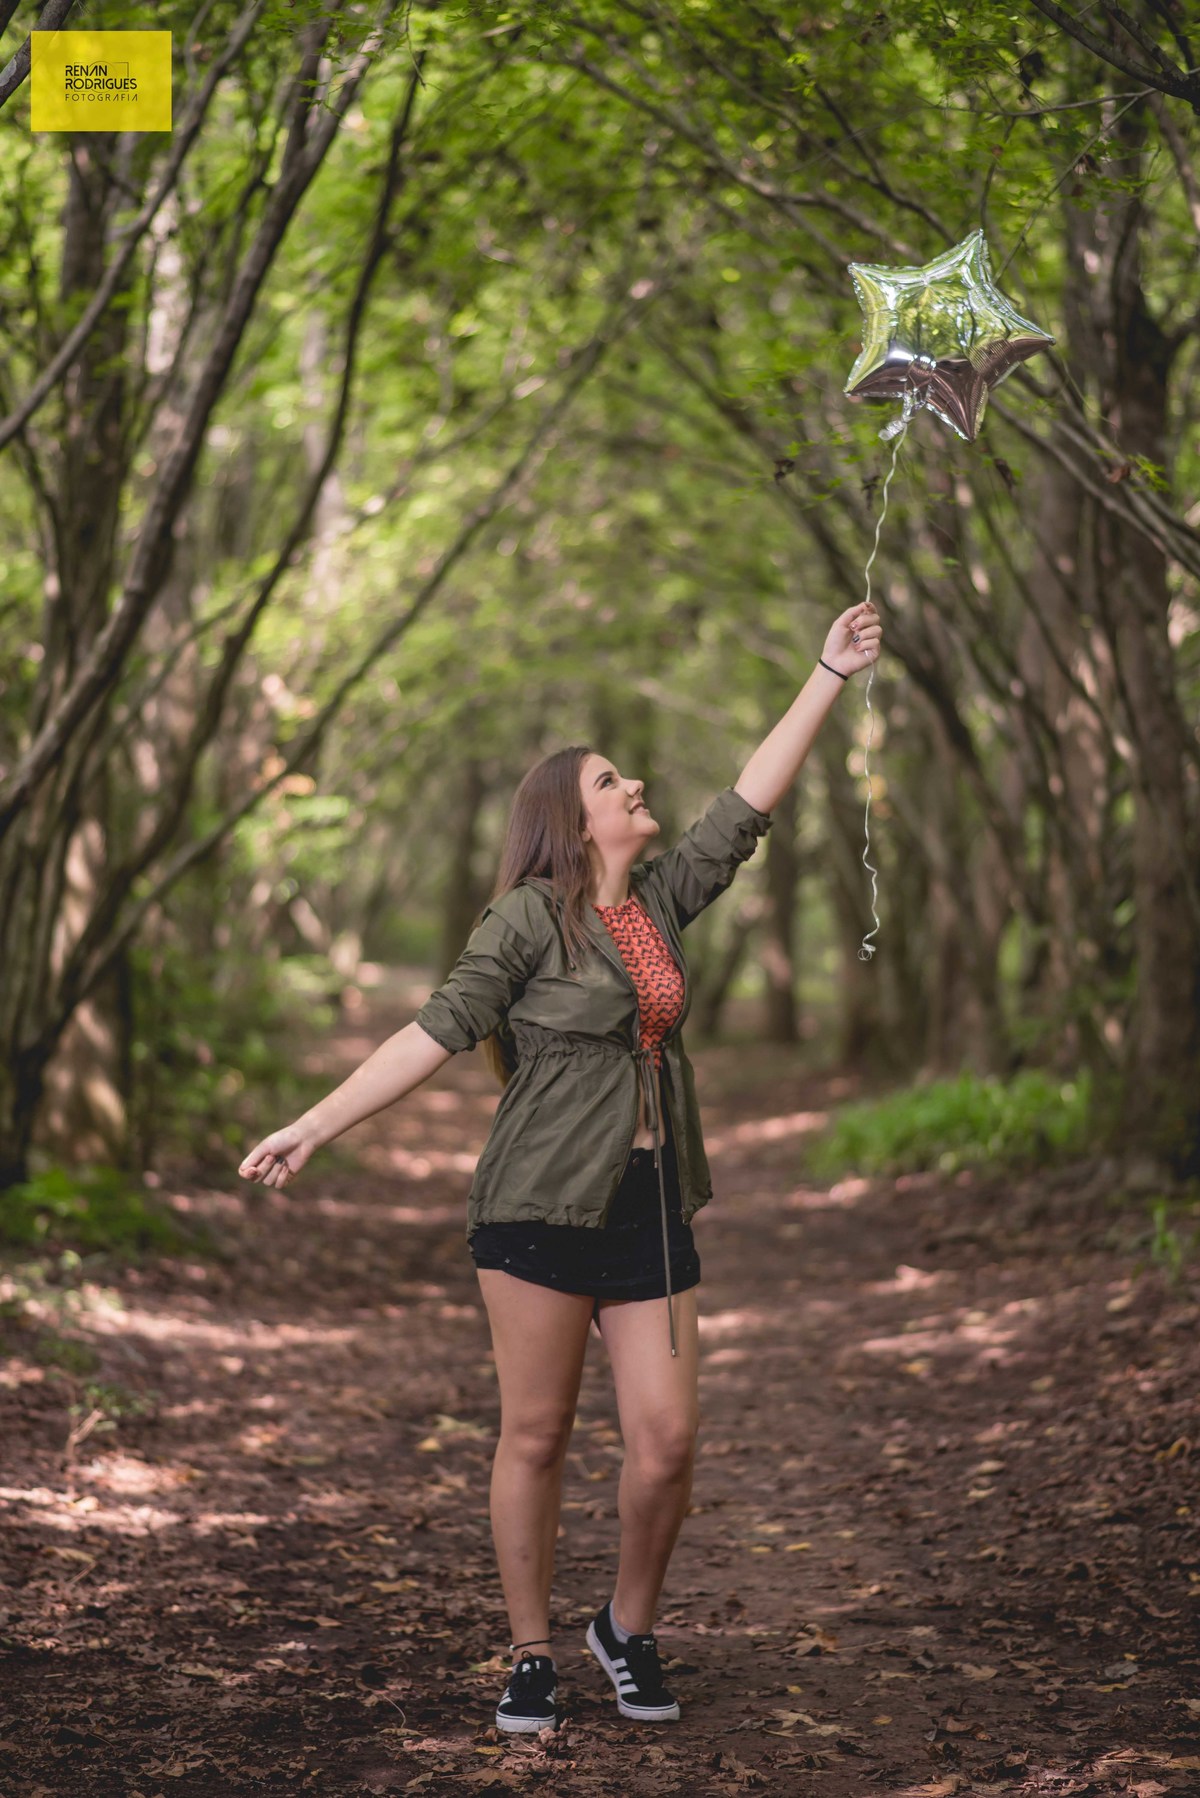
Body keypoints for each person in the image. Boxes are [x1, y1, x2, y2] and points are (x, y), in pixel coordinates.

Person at [238, 600, 882, 1732]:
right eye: (609, 781)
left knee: (667, 1443)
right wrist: (316, 1124)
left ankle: (625, 1628)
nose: (635, 787)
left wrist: (828, 672)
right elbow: (435, 1030)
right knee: (535, 1435)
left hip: (651, 1204)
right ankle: (530, 1651)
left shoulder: (663, 904)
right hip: (537, 1207)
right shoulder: (527, 919)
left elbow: (748, 806)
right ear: (569, 821)